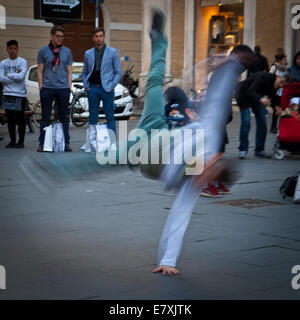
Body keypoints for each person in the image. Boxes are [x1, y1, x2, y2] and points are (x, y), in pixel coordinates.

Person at [82, 27, 122, 147]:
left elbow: (118, 72)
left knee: (110, 116)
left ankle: (113, 143)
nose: (99, 38)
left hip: (107, 89)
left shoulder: (112, 52)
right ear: (93, 38)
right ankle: (92, 143)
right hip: (93, 88)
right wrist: (86, 86)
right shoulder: (88, 53)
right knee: (93, 116)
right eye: (96, 36)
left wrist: (111, 86)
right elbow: (84, 72)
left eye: (101, 36)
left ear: (104, 37)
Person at [37, 25, 73, 152]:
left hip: (63, 89)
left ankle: (66, 142)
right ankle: (42, 143)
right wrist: (41, 87)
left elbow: (69, 71)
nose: (60, 39)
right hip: (47, 88)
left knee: (63, 116)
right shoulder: (43, 51)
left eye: (62, 37)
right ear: (52, 36)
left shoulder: (67, 52)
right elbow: (40, 70)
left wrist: (69, 87)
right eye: (57, 36)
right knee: (45, 117)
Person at [236, 72, 287, 159]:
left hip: (256, 98)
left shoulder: (276, 85)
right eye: (281, 82)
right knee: (246, 121)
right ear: (277, 77)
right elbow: (251, 90)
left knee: (262, 121)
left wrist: (276, 107)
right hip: (243, 95)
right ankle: (243, 149)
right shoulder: (263, 77)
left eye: (283, 85)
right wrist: (261, 99)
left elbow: (273, 98)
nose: (281, 85)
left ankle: (259, 150)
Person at [0, 40, 27, 148]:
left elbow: (21, 77)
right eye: (10, 48)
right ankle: (12, 141)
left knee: (20, 119)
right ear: (7, 49)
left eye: (14, 48)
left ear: (17, 49)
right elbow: (1, 78)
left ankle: (21, 142)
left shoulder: (22, 61)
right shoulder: (3, 63)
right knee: (10, 119)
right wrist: (15, 76)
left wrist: (8, 75)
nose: (12, 51)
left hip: (20, 94)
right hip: (7, 93)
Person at [269, 54, 288, 133]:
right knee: (276, 109)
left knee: (283, 109)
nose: (285, 61)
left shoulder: (286, 69)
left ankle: (282, 127)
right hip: (275, 91)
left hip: (283, 91)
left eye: (285, 60)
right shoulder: (274, 67)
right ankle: (273, 127)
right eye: (284, 60)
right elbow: (269, 77)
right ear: (280, 60)